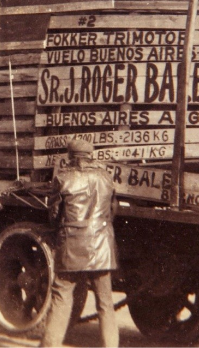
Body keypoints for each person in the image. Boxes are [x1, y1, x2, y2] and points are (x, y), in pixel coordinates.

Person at [40, 139, 119, 348]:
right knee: (105, 303)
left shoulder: (63, 178)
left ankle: (50, 345)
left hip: (73, 245)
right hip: (102, 246)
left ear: (71, 156)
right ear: (90, 156)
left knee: (62, 296)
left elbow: (55, 216)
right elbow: (112, 212)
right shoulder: (106, 178)